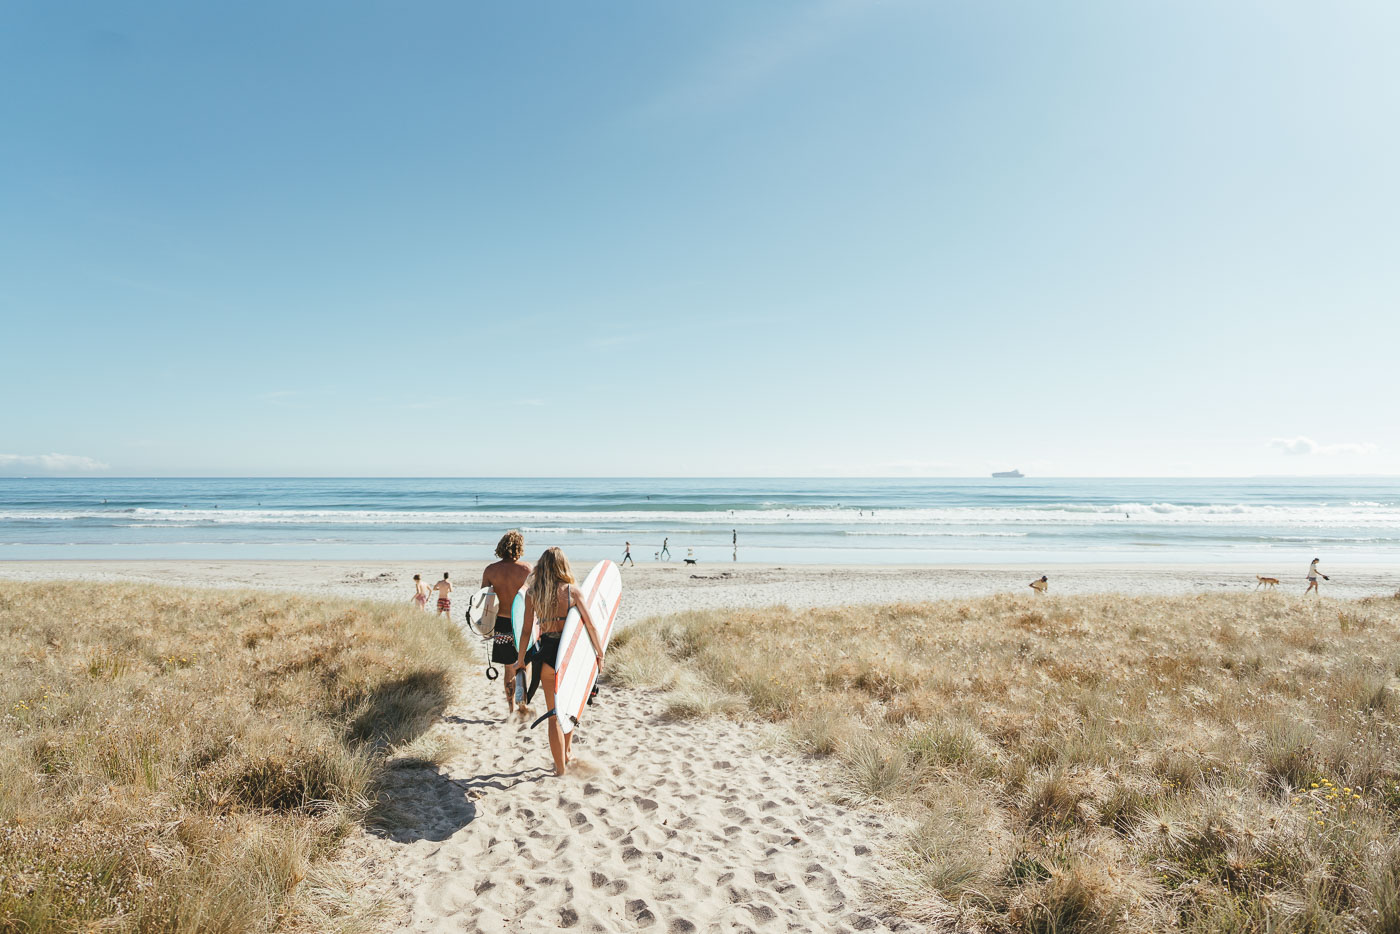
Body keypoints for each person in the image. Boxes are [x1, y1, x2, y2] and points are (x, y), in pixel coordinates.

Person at [519, 547, 605, 777]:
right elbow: (591, 625)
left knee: (554, 714)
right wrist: (599, 653)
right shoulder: (572, 593)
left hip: (546, 658)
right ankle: (565, 753)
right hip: (569, 658)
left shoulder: (533, 594)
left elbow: (527, 631)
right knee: (571, 709)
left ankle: (561, 766)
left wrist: (520, 661)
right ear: (562, 566)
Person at [482, 531, 532, 714]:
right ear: (520, 547)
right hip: (522, 624)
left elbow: (484, 599)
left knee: (508, 668)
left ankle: (511, 708)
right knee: (525, 663)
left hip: (501, 623)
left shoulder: (490, 570)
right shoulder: (527, 570)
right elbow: (534, 598)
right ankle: (523, 704)